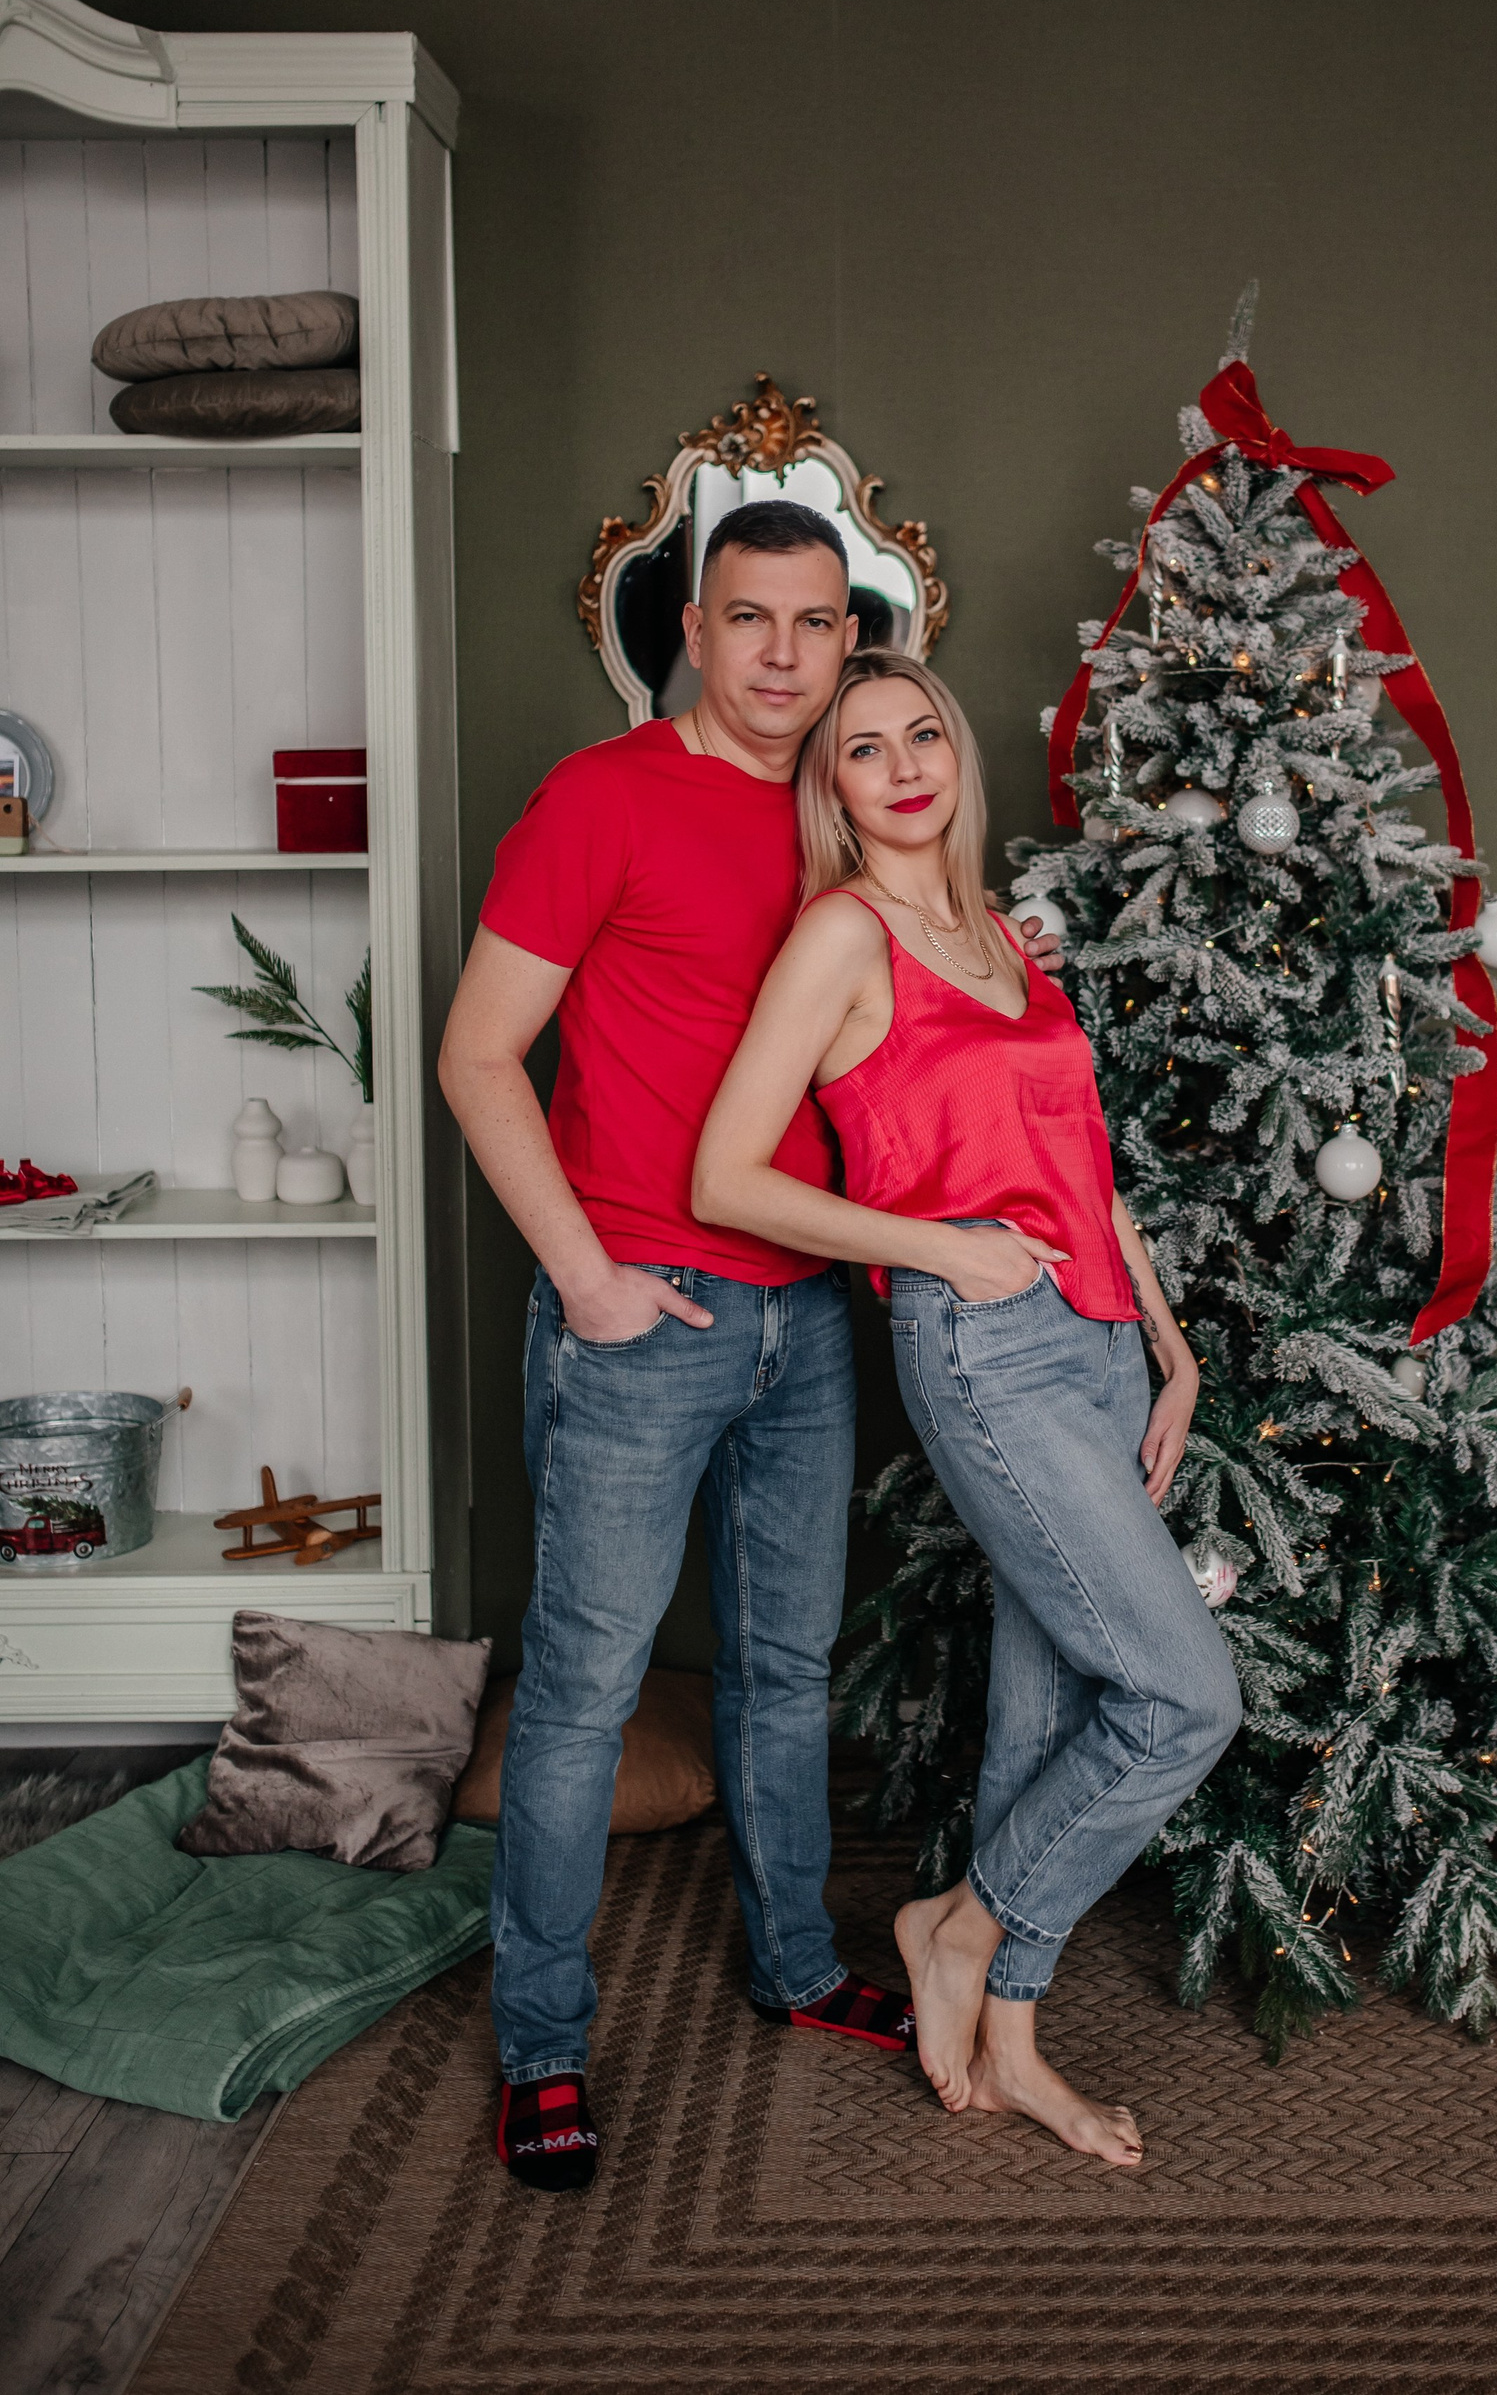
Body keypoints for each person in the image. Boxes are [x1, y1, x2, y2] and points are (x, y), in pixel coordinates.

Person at [439, 505, 1063, 2196]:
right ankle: (544, 2046)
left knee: (786, 1672)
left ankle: (794, 1968)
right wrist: (585, 1281)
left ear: (849, 640)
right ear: (692, 631)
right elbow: (479, 1056)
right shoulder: (601, 798)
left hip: (811, 1315)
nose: (783, 655)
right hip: (638, 1317)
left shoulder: (847, 816)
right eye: (747, 619)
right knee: (583, 1690)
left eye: (814, 622)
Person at [693, 649, 1242, 2168]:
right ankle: (957, 1924)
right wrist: (940, 1247)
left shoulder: (1000, 934)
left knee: (1046, 1709)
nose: (903, 767)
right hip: (987, 1347)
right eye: (864, 749)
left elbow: (1082, 1157)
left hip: (1101, 1342)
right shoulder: (841, 934)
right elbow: (726, 1176)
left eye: (922, 733)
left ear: (956, 751)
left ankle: (1013, 2039)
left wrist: (1172, 1346)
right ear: (833, 788)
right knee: (1186, 1700)